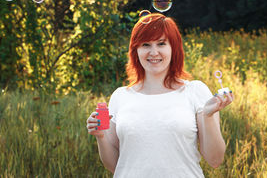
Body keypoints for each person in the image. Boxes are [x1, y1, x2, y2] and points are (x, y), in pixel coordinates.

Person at [86, 13, 234, 177]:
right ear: (136, 50)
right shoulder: (120, 96)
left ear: (174, 48)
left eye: (161, 43)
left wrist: (208, 116)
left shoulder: (195, 91)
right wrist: (100, 136)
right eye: (146, 45)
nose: (153, 52)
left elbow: (215, 160)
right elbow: (115, 165)